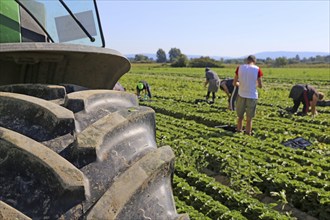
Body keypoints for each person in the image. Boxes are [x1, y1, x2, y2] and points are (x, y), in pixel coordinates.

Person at [233, 55, 263, 135]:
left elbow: (234, 83)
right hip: (252, 95)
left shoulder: (239, 68)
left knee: (240, 116)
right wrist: (253, 85)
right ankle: (248, 132)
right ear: (254, 61)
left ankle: (239, 130)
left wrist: (241, 84)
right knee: (249, 118)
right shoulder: (257, 69)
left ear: (247, 60)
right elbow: (260, 85)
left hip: (241, 94)